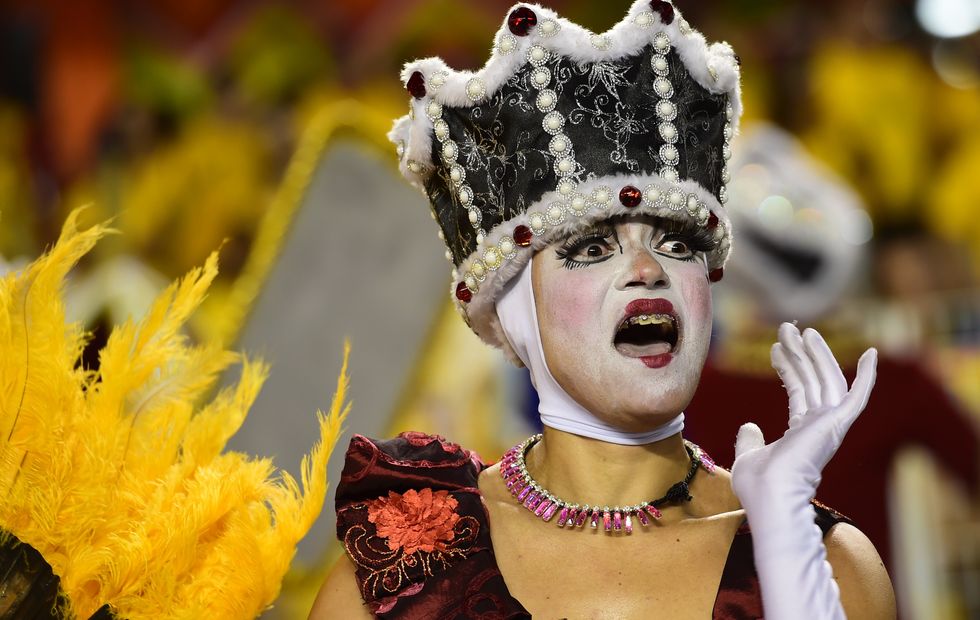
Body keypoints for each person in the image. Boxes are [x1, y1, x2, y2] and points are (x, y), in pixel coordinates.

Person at [311, 1, 896, 617]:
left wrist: (789, 569)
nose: (648, 271)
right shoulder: (399, 577)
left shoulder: (830, 565)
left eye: (676, 244)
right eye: (591, 248)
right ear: (515, 309)